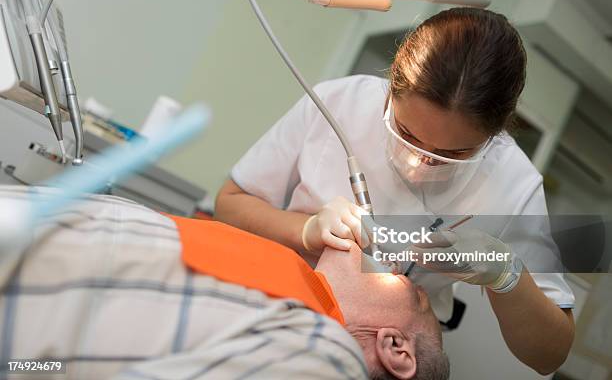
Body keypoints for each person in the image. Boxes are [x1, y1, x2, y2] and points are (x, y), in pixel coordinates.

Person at [215, 7, 575, 374]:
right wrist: (304, 230)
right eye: (407, 135)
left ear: (495, 135)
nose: (420, 165)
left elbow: (550, 355)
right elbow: (229, 204)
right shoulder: (340, 102)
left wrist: (504, 274)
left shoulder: (514, 183)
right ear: (391, 88)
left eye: (452, 155)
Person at [0, 186, 448, 380]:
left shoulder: (328, 360)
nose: (385, 259)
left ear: (395, 348)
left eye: (408, 286)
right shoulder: (296, 299)